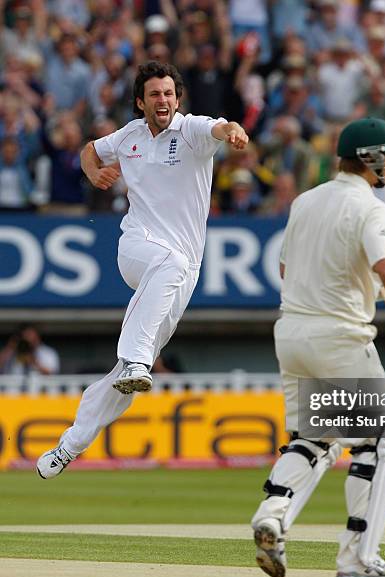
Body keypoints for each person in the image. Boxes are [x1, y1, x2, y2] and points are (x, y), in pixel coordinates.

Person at [250, 117, 385, 577]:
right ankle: (358, 558)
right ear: (371, 158)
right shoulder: (371, 208)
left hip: (292, 334)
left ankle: (272, 514)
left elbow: (286, 269)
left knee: (313, 439)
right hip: (340, 337)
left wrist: (365, 292)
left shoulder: (304, 201)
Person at [36, 61, 248, 479]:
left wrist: (233, 131)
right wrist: (94, 171)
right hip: (137, 247)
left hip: (181, 271)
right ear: (140, 102)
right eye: (154, 94)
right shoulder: (129, 135)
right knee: (142, 345)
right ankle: (135, 360)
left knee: (126, 378)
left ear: (178, 99)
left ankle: (70, 445)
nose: (163, 100)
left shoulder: (190, 130)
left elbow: (219, 128)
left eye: (168, 93)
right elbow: (90, 150)